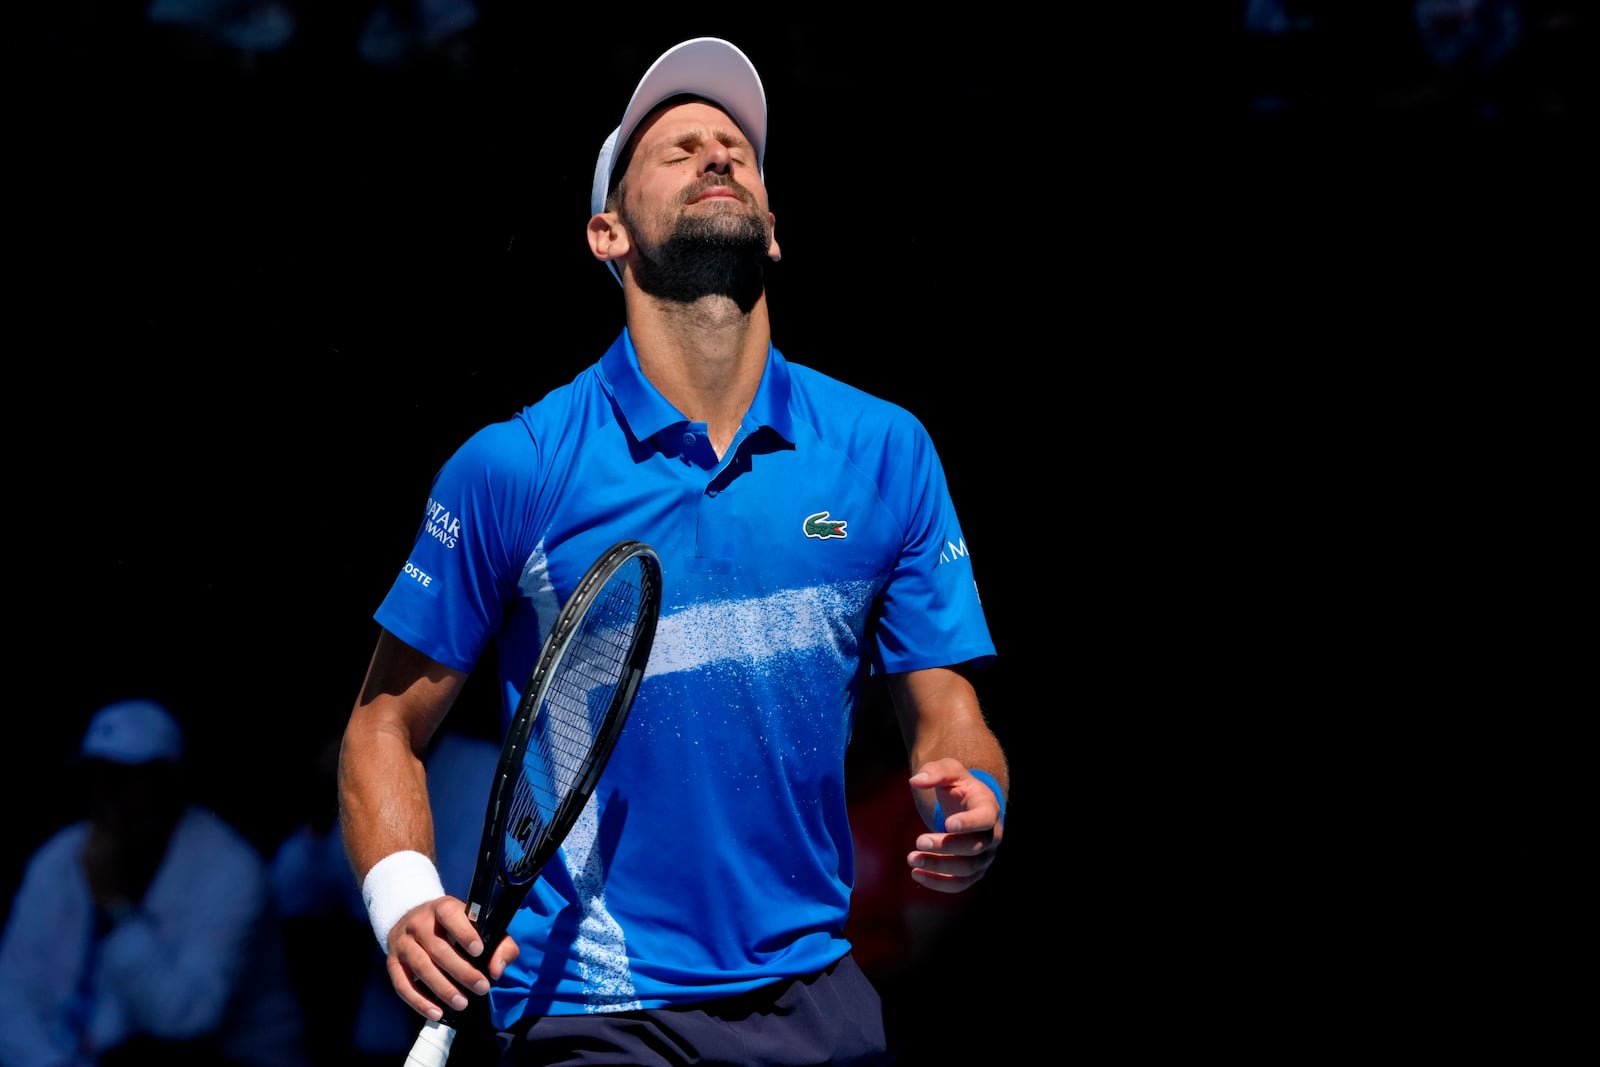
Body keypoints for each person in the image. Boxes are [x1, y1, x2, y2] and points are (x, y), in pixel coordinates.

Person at [337, 35, 1009, 1067]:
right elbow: (383, 723)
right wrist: (401, 894)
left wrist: (974, 786)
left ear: (773, 228)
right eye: (677, 146)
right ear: (607, 233)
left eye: (735, 145)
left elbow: (945, 708)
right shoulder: (515, 466)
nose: (716, 153)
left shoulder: (884, 451)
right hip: (595, 1001)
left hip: (817, 987)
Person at [0, 698, 311, 1067]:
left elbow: (186, 1019)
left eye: (126, 778)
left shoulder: (231, 868)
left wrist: (115, 907)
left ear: (170, 781)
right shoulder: (60, 856)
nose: (108, 796)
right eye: (97, 777)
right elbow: (10, 994)